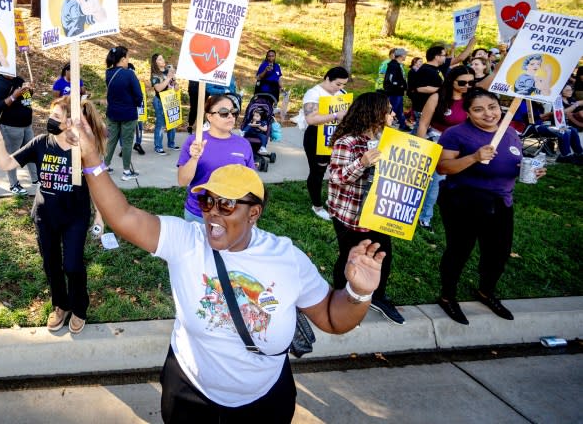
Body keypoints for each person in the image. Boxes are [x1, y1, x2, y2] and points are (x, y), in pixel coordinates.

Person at [68, 114, 386, 420]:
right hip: (189, 395)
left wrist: (358, 292)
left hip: (263, 403)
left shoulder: (287, 259)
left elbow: (333, 318)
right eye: (207, 202)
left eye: (227, 204)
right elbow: (124, 217)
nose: (213, 214)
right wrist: (92, 159)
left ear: (254, 213)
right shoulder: (187, 241)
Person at [0, 96, 107, 334]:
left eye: (56, 117)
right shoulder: (41, 142)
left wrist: (99, 217)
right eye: (50, 115)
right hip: (45, 216)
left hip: (75, 217)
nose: (49, 120)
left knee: (72, 265)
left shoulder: (83, 150)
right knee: (51, 265)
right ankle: (61, 305)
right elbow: (6, 164)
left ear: (70, 122)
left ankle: (79, 308)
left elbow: (98, 185)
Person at [435, 89, 546, 325]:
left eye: (493, 107)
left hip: (501, 202)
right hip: (463, 201)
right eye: (478, 109)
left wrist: (530, 170)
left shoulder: (510, 133)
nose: (488, 114)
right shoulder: (456, 134)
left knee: (498, 252)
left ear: (500, 108)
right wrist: (474, 157)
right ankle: (447, 296)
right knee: (459, 250)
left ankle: (486, 292)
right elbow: (443, 168)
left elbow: (513, 162)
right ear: (467, 112)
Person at [327, 92, 404, 324]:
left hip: (379, 212)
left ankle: (378, 296)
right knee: (350, 258)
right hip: (351, 214)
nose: (393, 113)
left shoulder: (388, 139)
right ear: (374, 112)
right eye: (388, 109)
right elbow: (337, 177)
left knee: (383, 255)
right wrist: (362, 163)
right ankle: (341, 298)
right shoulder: (347, 142)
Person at [415, 66, 476, 229]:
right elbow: (423, 123)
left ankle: (457, 214)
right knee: (437, 181)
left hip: (463, 145)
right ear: (452, 80)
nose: (467, 86)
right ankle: (425, 216)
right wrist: (421, 146)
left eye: (471, 83)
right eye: (462, 82)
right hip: (438, 142)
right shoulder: (437, 97)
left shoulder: (472, 99)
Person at [178, 94, 255, 223]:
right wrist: (194, 158)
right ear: (209, 117)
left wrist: (251, 219)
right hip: (199, 214)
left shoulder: (243, 144)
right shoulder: (195, 141)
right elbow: (182, 181)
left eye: (233, 111)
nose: (230, 116)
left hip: (232, 215)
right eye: (224, 112)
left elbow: (250, 184)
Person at [297, 67, 350, 221]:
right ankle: (317, 206)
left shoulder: (342, 94)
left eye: (343, 85)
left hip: (335, 136)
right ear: (327, 78)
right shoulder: (313, 93)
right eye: (338, 84)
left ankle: (331, 200)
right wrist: (335, 115)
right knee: (318, 171)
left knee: (336, 171)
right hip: (316, 137)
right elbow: (311, 119)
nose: (340, 88)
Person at [0, 72, 38, 195]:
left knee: (31, 152)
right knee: (12, 155)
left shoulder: (19, 79)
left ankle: (36, 179)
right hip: (11, 127)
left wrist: (30, 90)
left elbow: (26, 99)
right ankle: (14, 185)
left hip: (26, 124)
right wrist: (13, 96)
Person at [103, 46, 143, 181]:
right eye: (128, 57)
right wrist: (136, 104)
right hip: (128, 114)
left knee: (111, 141)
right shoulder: (129, 74)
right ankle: (126, 171)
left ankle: (105, 166)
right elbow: (138, 95)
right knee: (127, 142)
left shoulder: (108, 73)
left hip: (112, 113)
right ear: (122, 59)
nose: (128, 60)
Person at [511, 99, 583, 160]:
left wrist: (550, 115)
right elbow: (526, 118)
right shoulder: (524, 102)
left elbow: (541, 118)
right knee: (563, 131)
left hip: (540, 125)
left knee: (572, 129)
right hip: (527, 127)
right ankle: (566, 156)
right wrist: (545, 115)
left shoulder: (538, 104)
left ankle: (579, 154)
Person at [150, 53, 180, 155]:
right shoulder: (155, 75)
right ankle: (158, 146)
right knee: (161, 124)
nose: (163, 60)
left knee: (172, 122)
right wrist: (168, 78)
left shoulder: (168, 72)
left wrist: (174, 80)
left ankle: (171, 143)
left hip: (170, 100)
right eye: (159, 59)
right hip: (160, 101)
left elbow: (176, 88)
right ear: (155, 63)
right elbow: (158, 88)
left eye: (163, 58)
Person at [382, 48, 409, 131]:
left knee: (399, 110)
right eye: (405, 55)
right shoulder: (394, 65)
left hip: (398, 93)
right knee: (392, 110)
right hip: (394, 92)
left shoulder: (398, 65)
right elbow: (390, 79)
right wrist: (400, 85)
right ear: (401, 56)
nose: (406, 56)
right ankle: (384, 126)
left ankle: (403, 125)